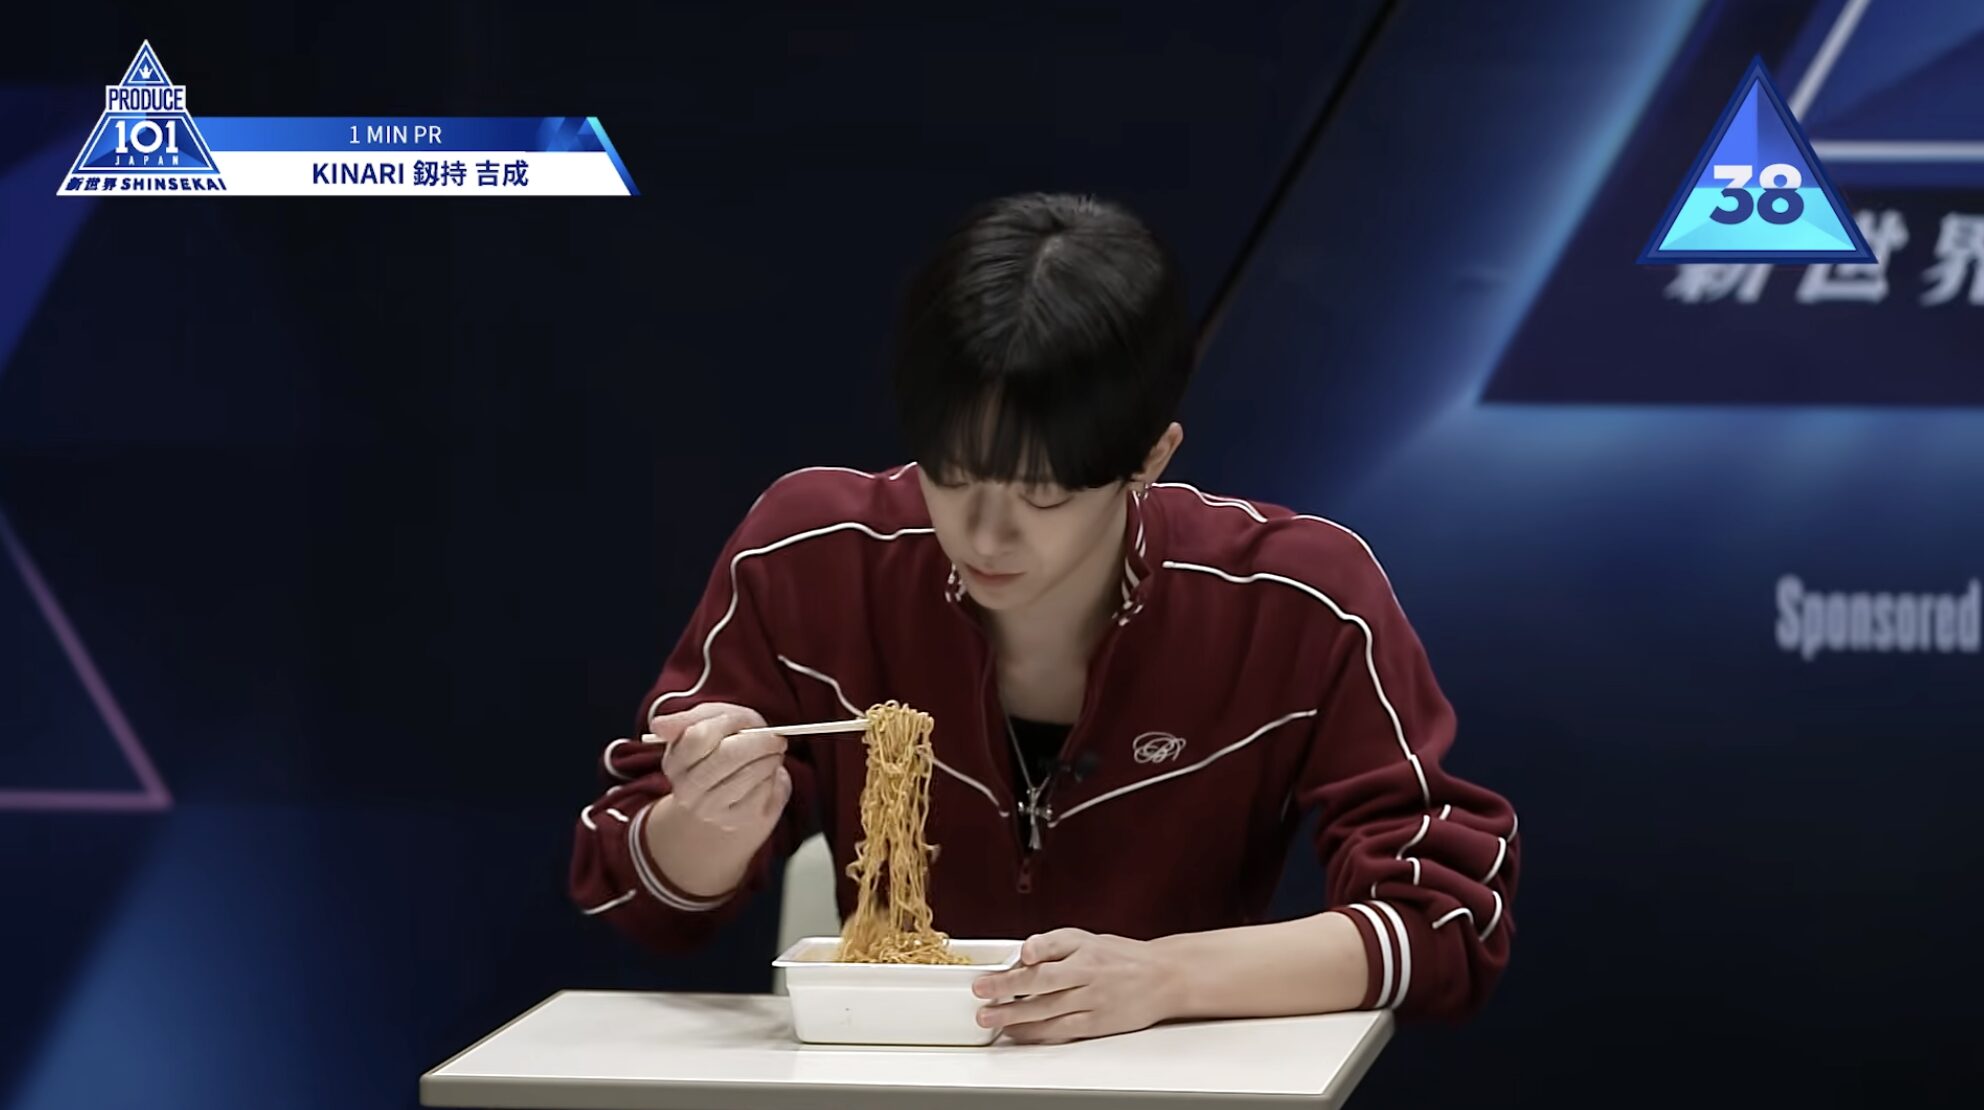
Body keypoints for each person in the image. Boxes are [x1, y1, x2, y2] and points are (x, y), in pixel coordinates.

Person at [570, 192, 1518, 1044]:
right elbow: (634, 891)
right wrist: (710, 821)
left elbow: (1445, 920)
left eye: (1044, 494)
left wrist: (1166, 977)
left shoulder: (1292, 596)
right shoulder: (812, 557)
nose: (985, 534)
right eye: (951, 477)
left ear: (1150, 457)